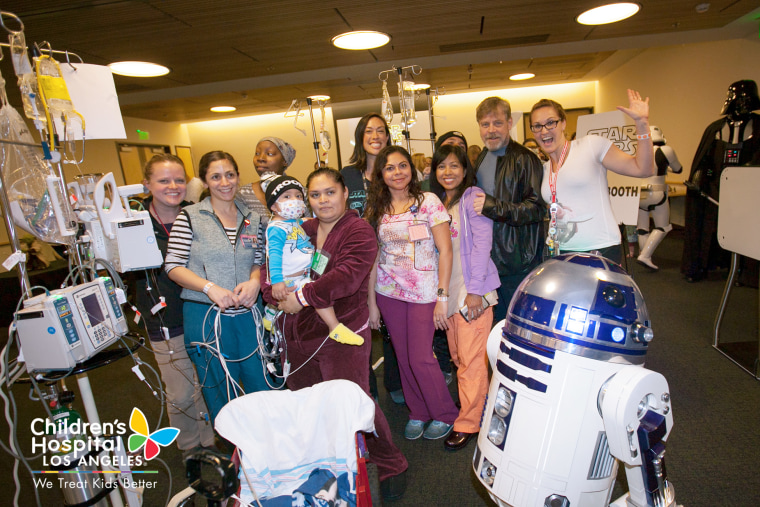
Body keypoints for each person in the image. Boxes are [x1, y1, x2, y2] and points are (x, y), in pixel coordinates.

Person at [264, 167, 409, 501]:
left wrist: (299, 297)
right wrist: (275, 294)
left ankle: (390, 462)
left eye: (330, 192)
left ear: (345, 193)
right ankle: (327, 470)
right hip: (299, 335)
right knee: (308, 409)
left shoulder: (359, 232)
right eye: (314, 195)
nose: (323, 200)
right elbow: (270, 267)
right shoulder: (301, 228)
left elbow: (345, 278)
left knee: (354, 404)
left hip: (340, 334)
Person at [165, 151, 269, 423]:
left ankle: (269, 457)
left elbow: (258, 261)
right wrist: (209, 287)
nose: (225, 182)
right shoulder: (189, 217)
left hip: (248, 316)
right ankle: (236, 458)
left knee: (263, 386)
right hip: (206, 316)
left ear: (237, 177)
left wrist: (255, 281)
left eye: (230, 175)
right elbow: (173, 266)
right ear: (204, 181)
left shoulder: (252, 218)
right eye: (215, 176)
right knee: (220, 392)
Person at [365, 145, 459, 441]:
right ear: (381, 174)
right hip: (388, 292)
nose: (397, 172)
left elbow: (445, 250)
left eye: (402, 165)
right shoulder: (376, 210)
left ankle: (445, 413)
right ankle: (418, 411)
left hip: (424, 292)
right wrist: (372, 304)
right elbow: (374, 258)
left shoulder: (428, 202)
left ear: (412, 169)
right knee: (403, 358)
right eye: (390, 167)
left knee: (421, 357)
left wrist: (443, 297)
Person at [132, 154, 216, 454]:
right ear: (147, 184)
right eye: (163, 180)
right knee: (181, 392)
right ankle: (190, 448)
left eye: (179, 180)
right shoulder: (132, 222)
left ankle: (211, 443)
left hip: (202, 312)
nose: (173, 186)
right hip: (164, 320)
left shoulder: (197, 216)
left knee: (206, 384)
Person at [529, 90, 654, 265]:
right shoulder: (544, 168)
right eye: (537, 126)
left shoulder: (590, 145)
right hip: (561, 252)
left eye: (551, 123)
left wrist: (641, 124)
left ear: (563, 123)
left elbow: (644, 169)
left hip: (600, 248)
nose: (544, 131)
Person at [429, 144, 500, 451]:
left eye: (454, 166)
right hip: (451, 293)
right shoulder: (437, 203)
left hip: (473, 292)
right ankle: (478, 408)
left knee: (470, 362)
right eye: (441, 166)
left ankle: (469, 423)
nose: (448, 172)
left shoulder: (472, 197)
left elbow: (483, 244)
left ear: (465, 169)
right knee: (460, 359)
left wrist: (475, 291)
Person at [340, 113, 404, 405]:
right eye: (369, 131)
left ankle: (396, 382)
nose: (375, 136)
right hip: (356, 262)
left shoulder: (393, 172)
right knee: (359, 326)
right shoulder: (348, 175)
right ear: (360, 137)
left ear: (388, 137)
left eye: (381, 130)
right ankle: (366, 391)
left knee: (392, 326)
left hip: (391, 260)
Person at [264, 174, 363, 345]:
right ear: (273, 205)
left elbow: (347, 275)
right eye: (287, 197)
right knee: (317, 295)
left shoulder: (297, 223)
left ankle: (270, 314)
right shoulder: (276, 228)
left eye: (298, 196)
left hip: (301, 277)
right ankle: (334, 327)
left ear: (345, 193)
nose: (294, 200)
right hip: (291, 279)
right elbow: (272, 257)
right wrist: (277, 281)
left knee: (313, 290)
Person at [473, 96, 545, 323]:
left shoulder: (525, 159)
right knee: (496, 325)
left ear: (509, 123)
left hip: (517, 262)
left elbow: (535, 208)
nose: (491, 131)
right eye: (485, 124)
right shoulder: (482, 157)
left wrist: (493, 207)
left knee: (519, 323)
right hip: (489, 260)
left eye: (497, 123)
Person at [682, 79, 760, 282]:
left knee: (747, 231)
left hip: (749, 192)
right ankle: (700, 266)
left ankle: (748, 272)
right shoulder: (715, 129)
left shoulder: (758, 128)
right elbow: (704, 159)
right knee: (709, 227)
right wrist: (700, 178)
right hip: (715, 190)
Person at [636, 126, 682, 270]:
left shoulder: (639, 150)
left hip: (639, 193)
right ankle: (645, 255)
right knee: (663, 227)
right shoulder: (666, 150)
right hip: (657, 193)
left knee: (642, 229)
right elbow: (678, 169)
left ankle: (645, 254)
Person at [238, 136, 296, 222]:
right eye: (257, 153)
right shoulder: (241, 194)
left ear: (284, 161)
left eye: (270, 154)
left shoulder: (299, 193)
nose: (261, 158)